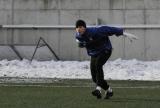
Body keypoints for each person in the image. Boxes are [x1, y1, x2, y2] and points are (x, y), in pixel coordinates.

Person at [75, 19, 138, 99]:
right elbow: (78, 40)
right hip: (94, 53)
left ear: (85, 27)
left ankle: (98, 89)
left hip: (105, 50)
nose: (78, 29)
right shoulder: (78, 35)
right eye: (77, 27)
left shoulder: (94, 31)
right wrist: (81, 43)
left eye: (80, 27)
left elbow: (108, 29)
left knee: (98, 65)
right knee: (94, 77)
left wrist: (123, 33)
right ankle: (109, 90)